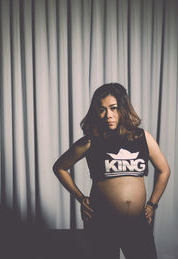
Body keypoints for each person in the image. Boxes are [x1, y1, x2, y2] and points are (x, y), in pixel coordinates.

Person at [52, 83, 170, 259]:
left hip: (137, 223)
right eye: (102, 109)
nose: (108, 115)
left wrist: (152, 204)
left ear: (123, 108)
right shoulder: (91, 141)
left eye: (113, 108)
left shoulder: (142, 137)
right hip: (101, 223)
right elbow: (60, 167)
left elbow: (164, 170)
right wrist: (81, 198)